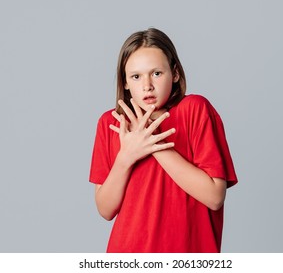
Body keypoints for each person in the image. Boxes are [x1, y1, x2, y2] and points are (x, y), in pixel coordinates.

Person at [89, 27, 238, 253]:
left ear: (175, 73)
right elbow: (105, 209)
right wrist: (125, 157)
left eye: (156, 73)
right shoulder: (111, 123)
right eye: (136, 76)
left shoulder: (195, 110)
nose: (147, 85)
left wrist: (152, 142)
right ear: (125, 82)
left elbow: (214, 197)